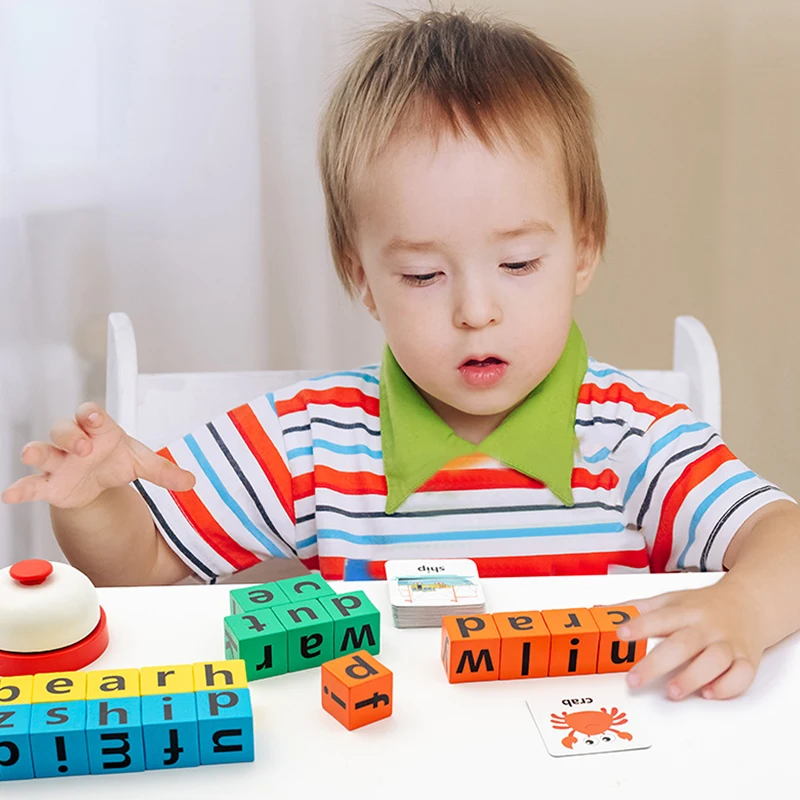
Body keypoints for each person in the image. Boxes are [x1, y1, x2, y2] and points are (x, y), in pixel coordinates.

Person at [3, 9, 798, 702]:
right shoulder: (314, 439)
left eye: (518, 264)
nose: (475, 311)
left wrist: (746, 608)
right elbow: (142, 571)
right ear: (364, 278)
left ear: (584, 251)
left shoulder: (636, 438)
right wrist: (95, 502)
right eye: (422, 274)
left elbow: (783, 540)